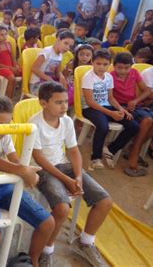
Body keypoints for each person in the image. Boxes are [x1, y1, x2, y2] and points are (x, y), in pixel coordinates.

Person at [0, 95, 55, 267]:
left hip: (4, 184)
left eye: (9, 122)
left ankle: (33, 259)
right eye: (1, 124)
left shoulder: (4, 134)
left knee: (47, 223)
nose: (7, 128)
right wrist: (23, 171)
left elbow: (15, 159)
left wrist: (26, 169)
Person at [31, 82, 112, 267]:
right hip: (42, 169)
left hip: (64, 165)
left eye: (66, 102)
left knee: (104, 201)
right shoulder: (34, 124)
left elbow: (74, 151)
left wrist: (78, 177)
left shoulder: (67, 120)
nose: (64, 106)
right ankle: (47, 250)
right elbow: (39, 157)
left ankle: (85, 242)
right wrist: (67, 179)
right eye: (58, 102)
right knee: (62, 209)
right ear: (43, 103)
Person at [81, 49, 140, 170]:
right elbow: (90, 102)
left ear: (109, 64)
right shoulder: (88, 77)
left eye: (105, 64)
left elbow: (111, 97)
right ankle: (95, 158)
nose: (101, 67)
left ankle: (110, 149)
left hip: (107, 106)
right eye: (98, 63)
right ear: (92, 62)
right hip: (90, 108)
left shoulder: (108, 77)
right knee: (103, 126)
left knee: (134, 125)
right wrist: (111, 113)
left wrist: (121, 109)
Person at [110, 53, 153, 176]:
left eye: (126, 68)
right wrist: (121, 107)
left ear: (131, 66)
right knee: (147, 120)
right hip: (119, 107)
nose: (123, 71)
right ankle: (133, 157)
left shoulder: (134, 73)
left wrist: (135, 101)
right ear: (114, 66)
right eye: (119, 68)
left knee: (151, 121)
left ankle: (133, 150)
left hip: (133, 106)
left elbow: (147, 91)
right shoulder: (110, 76)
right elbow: (110, 97)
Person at [30, 30, 75, 95]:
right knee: (57, 95)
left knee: (71, 89)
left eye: (70, 46)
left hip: (49, 83)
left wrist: (62, 77)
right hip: (37, 84)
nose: (67, 47)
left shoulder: (60, 55)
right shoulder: (47, 51)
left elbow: (57, 73)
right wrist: (50, 80)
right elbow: (34, 68)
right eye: (65, 43)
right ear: (58, 40)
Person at [0, 26, 21, 98]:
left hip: (10, 67)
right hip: (0, 68)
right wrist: (10, 68)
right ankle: (8, 98)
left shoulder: (8, 44)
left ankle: (18, 94)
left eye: (5, 34)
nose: (4, 37)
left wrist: (15, 66)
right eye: (2, 35)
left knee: (23, 71)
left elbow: (13, 57)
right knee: (12, 78)